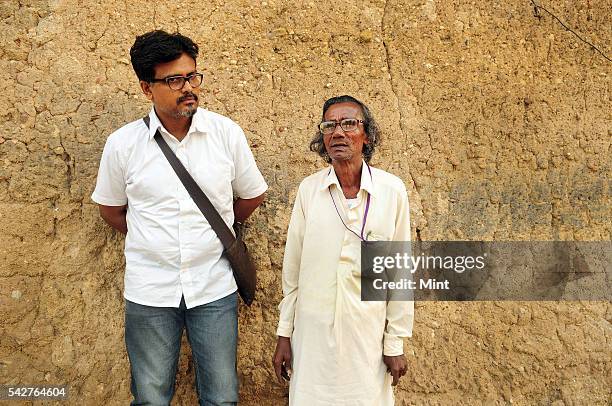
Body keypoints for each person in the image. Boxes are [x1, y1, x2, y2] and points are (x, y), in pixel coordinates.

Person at [91, 30, 267, 405]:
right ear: (146, 87)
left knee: (221, 397)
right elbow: (110, 209)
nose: (188, 87)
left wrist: (215, 232)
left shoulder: (225, 134)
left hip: (213, 286)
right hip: (149, 290)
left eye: (192, 76)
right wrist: (149, 238)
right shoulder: (122, 144)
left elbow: (252, 194)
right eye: (174, 80)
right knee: (151, 396)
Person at [272, 95, 414, 405]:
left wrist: (395, 342)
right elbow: (293, 269)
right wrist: (285, 333)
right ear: (322, 137)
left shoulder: (391, 192)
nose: (338, 132)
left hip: (367, 339)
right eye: (329, 125)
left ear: (367, 135)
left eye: (349, 123)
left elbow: (400, 272)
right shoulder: (310, 190)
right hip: (312, 339)